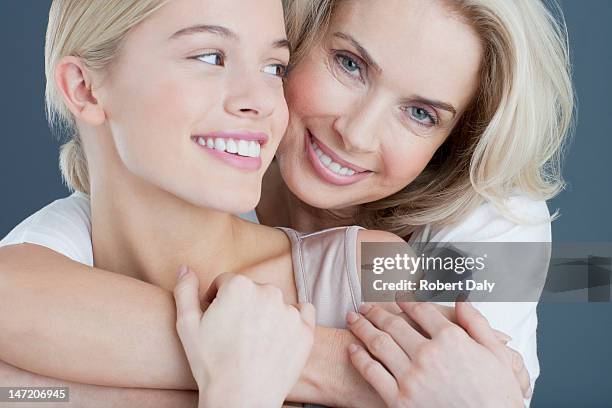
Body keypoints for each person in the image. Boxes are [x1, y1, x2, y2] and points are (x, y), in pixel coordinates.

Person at [0, 0, 572, 405]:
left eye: (421, 113)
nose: (357, 132)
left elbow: (473, 385)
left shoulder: (476, 237)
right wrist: (322, 368)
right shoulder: (93, 228)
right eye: (349, 64)